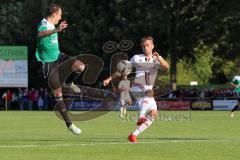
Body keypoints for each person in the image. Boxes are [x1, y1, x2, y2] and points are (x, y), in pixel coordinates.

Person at [103, 36, 169, 142]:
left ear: (152, 46)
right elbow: (122, 70)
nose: (145, 47)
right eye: (143, 46)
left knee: (153, 114)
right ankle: (141, 116)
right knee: (149, 92)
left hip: (147, 89)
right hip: (138, 86)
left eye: (147, 45)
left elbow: (167, 67)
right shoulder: (136, 57)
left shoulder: (156, 60)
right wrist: (109, 78)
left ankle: (133, 135)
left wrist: (160, 58)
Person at [35, 3, 85, 134]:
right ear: (54, 14)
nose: (61, 17)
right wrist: (57, 30)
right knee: (58, 95)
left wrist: (58, 28)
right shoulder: (44, 24)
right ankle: (70, 125)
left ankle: (69, 82)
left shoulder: (53, 25)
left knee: (80, 66)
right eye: (60, 14)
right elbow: (40, 34)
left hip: (59, 57)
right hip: (48, 64)